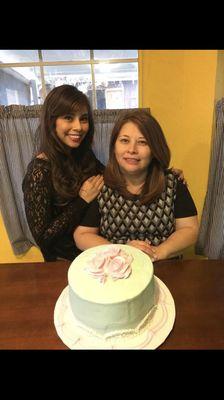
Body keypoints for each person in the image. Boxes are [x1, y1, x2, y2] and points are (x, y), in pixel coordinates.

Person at [74, 109, 199, 261]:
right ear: (114, 146)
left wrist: (159, 252)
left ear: (154, 149)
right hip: (117, 269)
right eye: (124, 141)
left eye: (142, 142)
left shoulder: (173, 183)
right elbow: (81, 235)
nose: (132, 150)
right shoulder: (102, 186)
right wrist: (120, 251)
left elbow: (190, 229)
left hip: (164, 266)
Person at [22, 84, 104, 261]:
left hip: (95, 253)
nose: (79, 127)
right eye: (68, 118)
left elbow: (111, 176)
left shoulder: (83, 155)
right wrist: (82, 201)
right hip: (64, 263)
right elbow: (43, 238)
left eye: (83, 119)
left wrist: (164, 175)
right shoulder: (39, 172)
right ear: (52, 122)